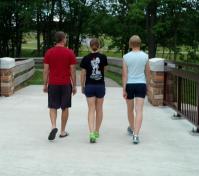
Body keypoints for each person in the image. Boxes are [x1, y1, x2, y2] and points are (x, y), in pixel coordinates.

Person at [43, 31, 77, 141]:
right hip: (65, 84)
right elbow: (72, 70)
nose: (66, 40)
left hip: (53, 83)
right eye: (65, 38)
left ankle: (53, 126)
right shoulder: (69, 53)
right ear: (63, 39)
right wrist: (74, 85)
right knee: (65, 107)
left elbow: (45, 70)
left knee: (52, 106)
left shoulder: (49, 52)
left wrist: (45, 84)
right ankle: (62, 131)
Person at [122, 35, 150, 144]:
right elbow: (148, 73)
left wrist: (124, 89)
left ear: (130, 44)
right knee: (139, 110)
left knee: (130, 109)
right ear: (140, 44)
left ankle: (132, 128)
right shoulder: (145, 56)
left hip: (129, 85)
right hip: (141, 84)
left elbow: (124, 75)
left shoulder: (126, 57)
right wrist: (147, 86)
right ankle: (136, 135)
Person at [80, 38, 108, 143]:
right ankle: (97, 131)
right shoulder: (103, 57)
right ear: (99, 46)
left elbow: (83, 74)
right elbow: (105, 71)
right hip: (100, 85)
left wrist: (82, 85)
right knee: (99, 109)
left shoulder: (85, 58)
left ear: (90, 46)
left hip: (90, 85)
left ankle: (91, 132)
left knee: (91, 109)